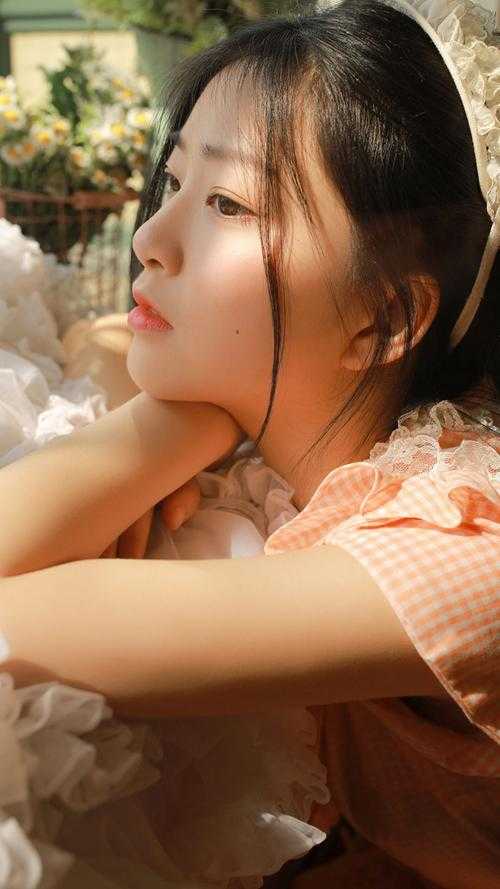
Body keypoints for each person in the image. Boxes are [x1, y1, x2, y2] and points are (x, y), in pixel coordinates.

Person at [0, 0, 498, 887]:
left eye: (228, 202)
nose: (151, 240)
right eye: (173, 182)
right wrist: (190, 418)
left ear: (385, 317)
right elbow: (98, 337)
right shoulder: (319, 445)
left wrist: (164, 429)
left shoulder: (467, 538)